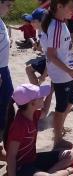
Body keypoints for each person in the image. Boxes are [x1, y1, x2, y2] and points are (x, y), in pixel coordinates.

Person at [5, 84, 73, 176]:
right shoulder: (19, 125)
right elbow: (11, 156)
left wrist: (51, 91)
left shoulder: (33, 114)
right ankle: (66, 171)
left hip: (33, 159)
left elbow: (45, 111)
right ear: (32, 103)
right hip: (21, 167)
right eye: (40, 96)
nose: (43, 98)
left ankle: (48, 173)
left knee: (71, 155)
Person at [41, 0, 73, 149]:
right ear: (59, 6)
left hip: (65, 72)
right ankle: (57, 139)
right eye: (71, 7)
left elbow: (64, 52)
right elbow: (51, 55)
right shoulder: (56, 26)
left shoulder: (62, 23)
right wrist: (69, 70)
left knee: (72, 99)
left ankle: (59, 126)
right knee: (61, 106)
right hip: (60, 75)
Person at [0, 0, 15, 161]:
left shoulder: (1, 20)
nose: (11, 8)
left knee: (7, 105)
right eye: (8, 4)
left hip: (4, 69)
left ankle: (3, 145)